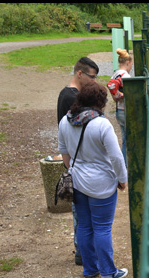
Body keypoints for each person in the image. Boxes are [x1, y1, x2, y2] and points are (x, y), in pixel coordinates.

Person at [58, 82, 128, 278]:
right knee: (102, 228)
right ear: (100, 102)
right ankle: (108, 272)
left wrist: (73, 169)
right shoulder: (102, 124)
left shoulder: (66, 121)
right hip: (102, 184)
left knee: (85, 226)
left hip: (77, 181)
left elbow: (64, 151)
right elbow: (116, 157)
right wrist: (122, 179)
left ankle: (90, 268)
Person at [57, 57, 99, 266]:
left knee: (83, 213)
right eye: (92, 77)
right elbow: (67, 136)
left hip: (77, 163)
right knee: (82, 215)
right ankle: (82, 253)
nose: (94, 81)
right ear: (80, 74)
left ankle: (84, 252)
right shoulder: (70, 98)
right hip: (78, 164)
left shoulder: (68, 94)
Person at [111, 48, 133, 166]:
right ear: (128, 62)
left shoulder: (115, 74)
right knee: (127, 142)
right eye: (131, 65)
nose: (131, 68)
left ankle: (123, 164)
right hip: (126, 111)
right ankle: (124, 165)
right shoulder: (126, 76)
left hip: (119, 110)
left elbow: (114, 95)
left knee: (124, 140)